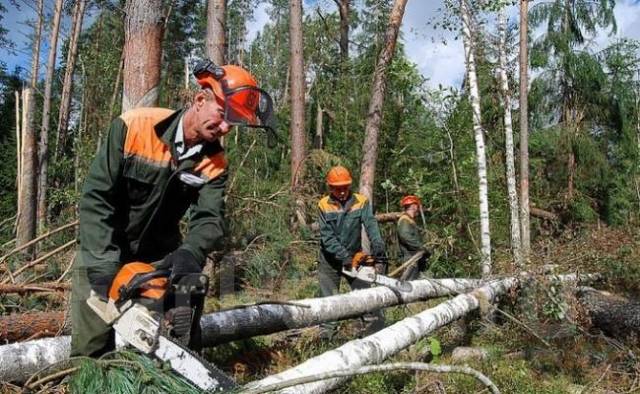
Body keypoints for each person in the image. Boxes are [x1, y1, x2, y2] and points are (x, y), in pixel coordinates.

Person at [71, 61, 274, 357]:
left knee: (172, 337)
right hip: (102, 246)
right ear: (200, 100)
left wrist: (190, 252)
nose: (227, 128)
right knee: (92, 349)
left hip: (157, 255)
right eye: (224, 115)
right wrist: (103, 268)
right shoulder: (134, 127)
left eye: (235, 122)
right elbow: (96, 199)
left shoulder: (214, 163)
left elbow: (209, 218)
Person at [317, 166, 387, 338]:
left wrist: (378, 247)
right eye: (337, 188)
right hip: (329, 260)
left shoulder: (361, 201)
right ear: (331, 187)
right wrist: (345, 258)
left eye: (345, 187)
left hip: (354, 255)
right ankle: (327, 337)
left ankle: (374, 331)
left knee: (364, 292)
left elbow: (371, 224)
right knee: (329, 299)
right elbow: (328, 238)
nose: (342, 192)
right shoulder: (324, 205)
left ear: (350, 185)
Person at [397, 195, 430, 280]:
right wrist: (421, 247)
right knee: (410, 285)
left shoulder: (409, 220)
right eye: (417, 206)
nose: (418, 208)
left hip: (415, 257)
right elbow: (405, 236)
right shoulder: (404, 220)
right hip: (410, 258)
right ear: (414, 206)